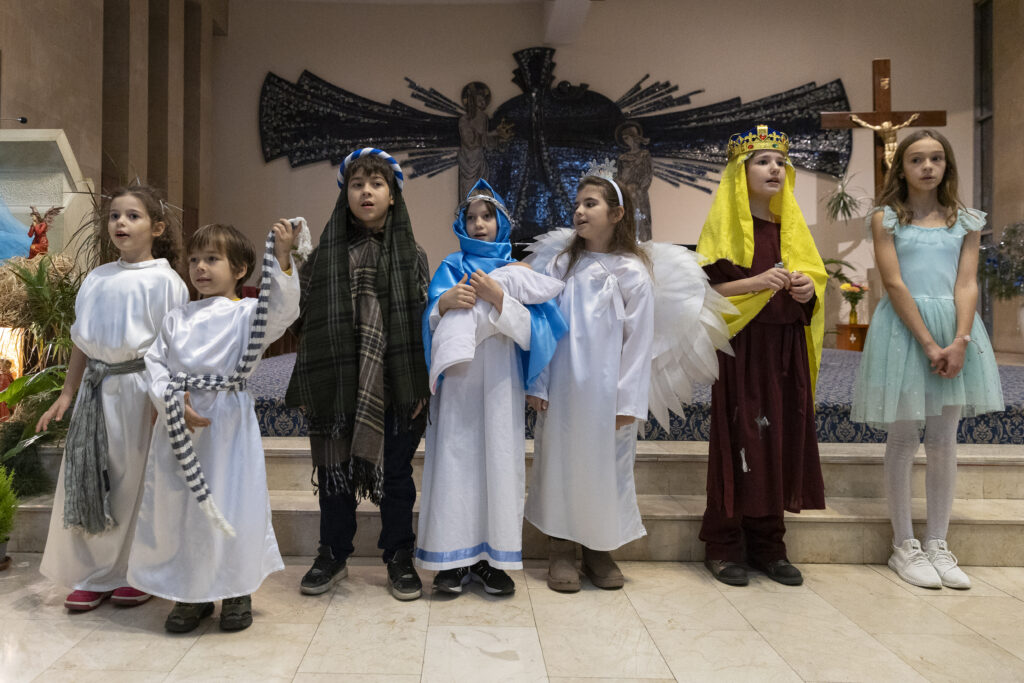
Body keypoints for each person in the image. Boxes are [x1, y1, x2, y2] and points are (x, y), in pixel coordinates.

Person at [128, 221, 299, 632]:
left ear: (239, 269)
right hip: (180, 420)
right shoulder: (177, 318)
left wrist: (283, 257)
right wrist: (172, 399)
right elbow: (155, 364)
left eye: (212, 259)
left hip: (227, 422)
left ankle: (236, 589)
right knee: (183, 507)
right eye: (194, 260)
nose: (200, 268)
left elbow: (282, 310)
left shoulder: (248, 314)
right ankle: (192, 593)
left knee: (232, 501)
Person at [851, 130, 1003, 589]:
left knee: (943, 440)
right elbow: (894, 282)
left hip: (955, 330)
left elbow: (967, 283)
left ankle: (937, 542)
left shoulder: (966, 221)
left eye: (936, 158)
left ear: (946, 165)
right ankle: (904, 544)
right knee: (903, 439)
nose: (928, 167)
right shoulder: (886, 219)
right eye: (917, 159)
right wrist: (928, 343)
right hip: (905, 331)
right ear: (901, 168)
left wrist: (959, 340)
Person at [286, 148, 432, 601]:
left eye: (376, 184)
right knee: (335, 475)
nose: (366, 192)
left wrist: (418, 383)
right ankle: (332, 554)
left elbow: (422, 323)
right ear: (345, 194)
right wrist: (311, 381)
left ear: (393, 195)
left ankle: (399, 555)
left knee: (397, 477)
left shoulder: (412, 254)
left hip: (395, 383)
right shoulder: (323, 256)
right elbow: (299, 318)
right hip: (336, 381)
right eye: (357, 184)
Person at [36, 184, 188, 611]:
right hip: (96, 393)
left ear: (157, 228)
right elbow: (81, 342)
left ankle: (136, 571)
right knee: (91, 478)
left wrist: (165, 402)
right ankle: (92, 574)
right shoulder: (97, 278)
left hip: (141, 393)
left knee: (133, 483)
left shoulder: (166, 282)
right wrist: (67, 392)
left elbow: (174, 349)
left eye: (133, 216)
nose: (121, 222)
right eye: (115, 215)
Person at [416, 179, 565, 595]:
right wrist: (443, 303)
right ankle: (450, 560)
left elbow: (537, 332)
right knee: (455, 463)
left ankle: (490, 560)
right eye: (471, 217)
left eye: (487, 216)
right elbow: (430, 320)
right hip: (459, 385)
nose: (479, 224)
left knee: (499, 463)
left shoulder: (519, 272)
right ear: (461, 224)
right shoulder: (451, 267)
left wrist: (499, 298)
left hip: (502, 382)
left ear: (502, 222)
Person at [695, 125, 828, 588]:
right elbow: (703, 294)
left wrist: (808, 289)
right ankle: (723, 542)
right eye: (763, 161)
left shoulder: (791, 230)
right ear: (740, 172)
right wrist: (754, 283)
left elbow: (815, 283)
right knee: (740, 439)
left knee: (780, 439)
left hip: (786, 349)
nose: (775, 169)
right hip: (742, 349)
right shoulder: (724, 231)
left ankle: (770, 544)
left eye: (780, 162)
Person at [525, 174, 655, 592]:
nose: (579, 211)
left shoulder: (633, 273)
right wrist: (539, 382)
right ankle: (561, 547)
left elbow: (639, 343)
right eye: (577, 204)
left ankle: (599, 548)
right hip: (563, 387)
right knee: (560, 463)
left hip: (607, 394)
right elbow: (543, 326)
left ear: (617, 215)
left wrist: (628, 401)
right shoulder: (562, 266)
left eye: (590, 204)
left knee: (605, 469)